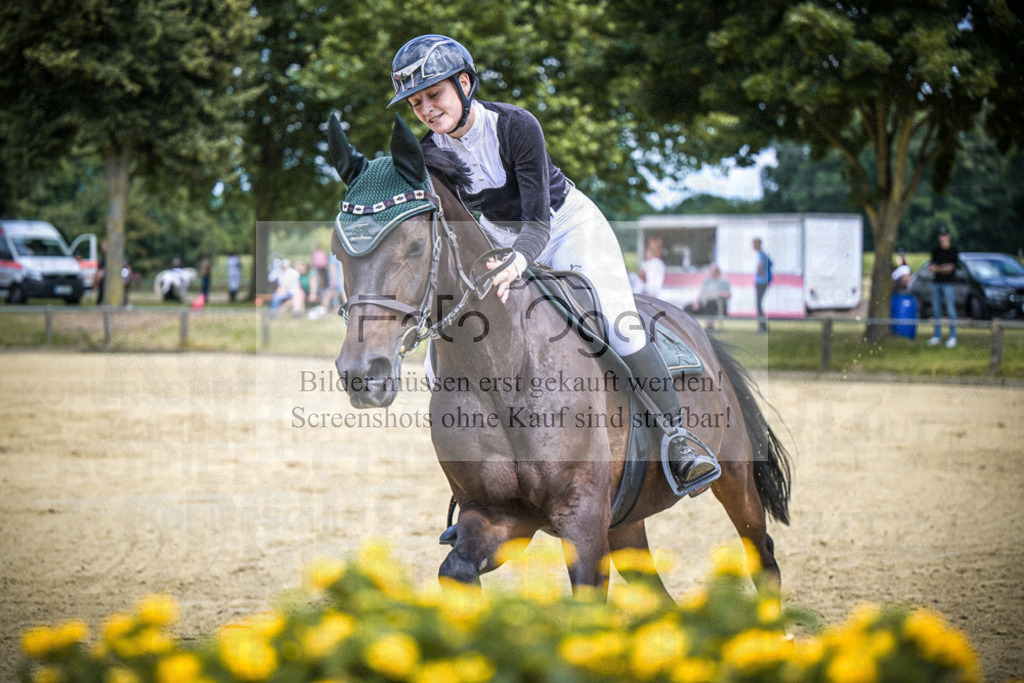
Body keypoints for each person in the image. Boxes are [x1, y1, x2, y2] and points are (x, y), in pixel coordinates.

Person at [388, 34, 719, 494]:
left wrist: (517, 261)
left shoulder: (517, 126)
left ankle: (679, 438)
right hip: (500, 240)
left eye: (434, 94)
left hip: (566, 227)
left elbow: (538, 222)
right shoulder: (432, 152)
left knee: (621, 327)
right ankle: (482, 477)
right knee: (435, 363)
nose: (425, 109)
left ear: (464, 83)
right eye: (416, 102)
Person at [927, 227, 959, 348]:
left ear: (948, 236)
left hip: (948, 284)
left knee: (951, 310)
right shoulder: (935, 251)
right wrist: (943, 268)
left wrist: (938, 268)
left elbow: (950, 269)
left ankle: (953, 336)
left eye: (945, 235)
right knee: (936, 311)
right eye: (941, 235)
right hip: (936, 283)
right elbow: (931, 268)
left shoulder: (953, 251)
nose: (943, 237)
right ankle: (937, 335)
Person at [684, 264, 731, 329]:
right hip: (704, 304)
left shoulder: (723, 281)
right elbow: (701, 291)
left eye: (712, 270)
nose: (710, 272)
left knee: (710, 304)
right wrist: (697, 302)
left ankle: (710, 327)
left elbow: (728, 295)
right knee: (687, 308)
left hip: (717, 305)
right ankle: (688, 327)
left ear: (717, 271)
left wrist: (717, 293)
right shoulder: (708, 281)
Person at [753, 238, 772, 333]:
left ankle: (763, 327)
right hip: (764, 281)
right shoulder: (764, 254)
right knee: (759, 305)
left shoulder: (761, 254)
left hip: (761, 282)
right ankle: (763, 326)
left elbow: (761, 265)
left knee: (759, 305)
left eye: (754, 244)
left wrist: (759, 272)